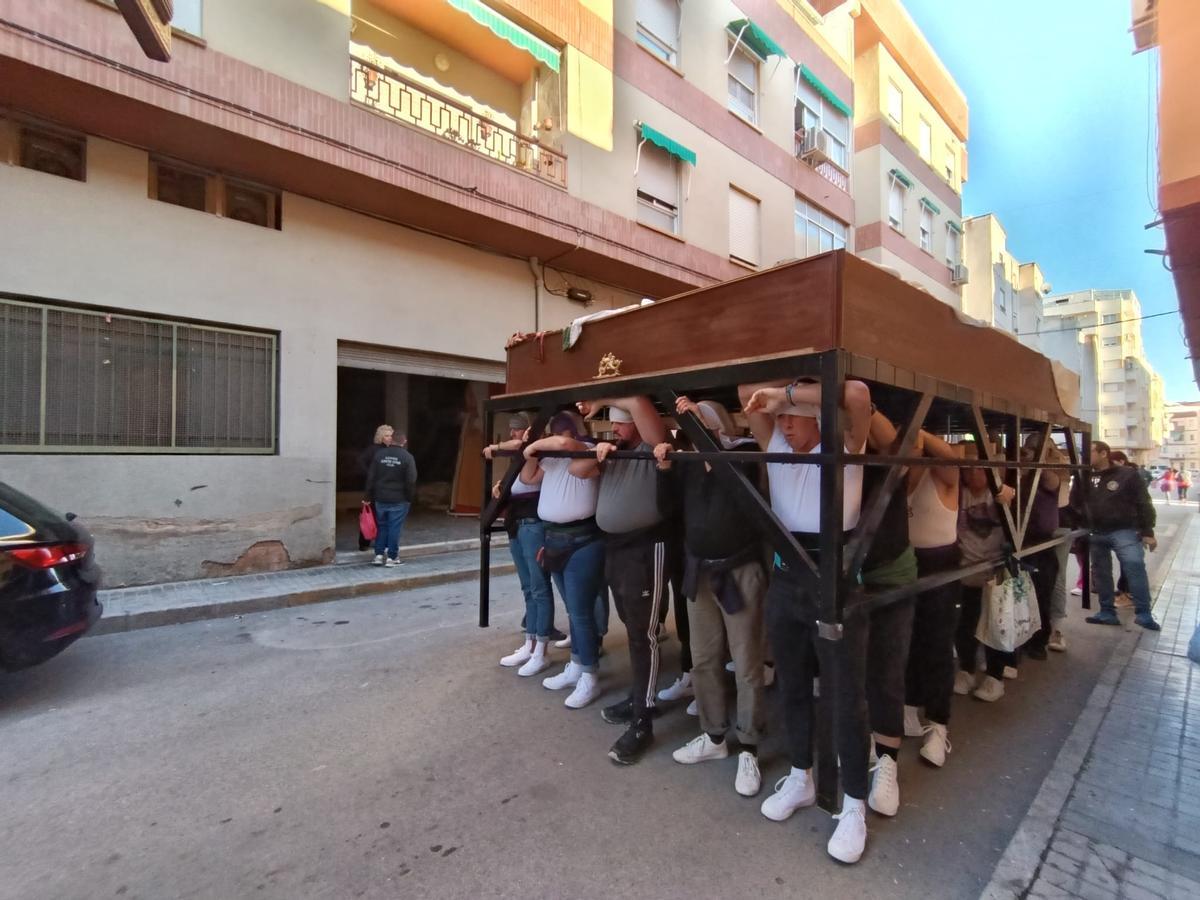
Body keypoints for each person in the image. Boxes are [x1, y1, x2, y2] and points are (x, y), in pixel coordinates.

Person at [737, 375, 874, 865]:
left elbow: (856, 395)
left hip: (834, 577)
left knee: (845, 695)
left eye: (793, 418)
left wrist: (788, 396)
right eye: (782, 418)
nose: (784, 424)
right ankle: (800, 775)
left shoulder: (844, 444)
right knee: (792, 686)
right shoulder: (776, 440)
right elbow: (745, 392)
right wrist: (776, 397)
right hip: (786, 577)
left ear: (818, 418)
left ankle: (855, 804)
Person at [654, 397, 767, 797]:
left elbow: (748, 501)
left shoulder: (744, 454)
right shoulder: (688, 463)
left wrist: (704, 443)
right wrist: (666, 470)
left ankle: (749, 745)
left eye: (700, 420)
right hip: (701, 571)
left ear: (717, 424)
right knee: (703, 659)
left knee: (748, 661)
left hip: (739, 570)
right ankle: (714, 736)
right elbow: (669, 512)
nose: (693, 428)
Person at [572, 397, 671, 766]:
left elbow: (641, 406)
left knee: (643, 634)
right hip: (615, 548)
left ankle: (643, 719)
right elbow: (578, 471)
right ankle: (639, 696)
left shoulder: (649, 446)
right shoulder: (613, 450)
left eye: (620, 423)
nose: (613, 429)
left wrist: (604, 397)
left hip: (645, 548)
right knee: (631, 628)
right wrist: (600, 453)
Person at [520, 410, 606, 708]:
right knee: (574, 610)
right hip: (554, 538)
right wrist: (533, 452)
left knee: (581, 611)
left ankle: (589, 676)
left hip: (582, 539)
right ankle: (577, 665)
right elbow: (527, 477)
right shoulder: (551, 457)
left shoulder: (586, 449)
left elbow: (568, 445)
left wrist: (532, 445)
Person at [903, 430, 963, 768]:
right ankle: (910, 707)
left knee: (938, 646)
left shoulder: (943, 477)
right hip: (908, 563)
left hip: (941, 564)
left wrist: (921, 433)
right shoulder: (903, 475)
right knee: (907, 639)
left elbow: (952, 461)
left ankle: (939, 725)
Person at [484, 414, 557, 676]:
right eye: (513, 431)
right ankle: (531, 642)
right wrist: (501, 486)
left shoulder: (542, 450)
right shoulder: (525, 452)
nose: (516, 435)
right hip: (517, 523)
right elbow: (516, 476)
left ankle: (541, 650)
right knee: (529, 587)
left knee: (538, 587)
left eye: (520, 430)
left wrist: (495, 448)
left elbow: (524, 463)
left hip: (532, 523)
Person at [955, 442, 1018, 701]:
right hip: (965, 569)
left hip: (996, 570)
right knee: (965, 623)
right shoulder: (959, 492)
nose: (972, 474)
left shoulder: (1003, 493)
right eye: (968, 469)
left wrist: (1010, 498)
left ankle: (995, 676)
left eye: (979, 469)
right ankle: (966, 670)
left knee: (997, 625)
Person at [1074, 441, 1160, 631]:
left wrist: (1147, 531)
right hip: (1096, 531)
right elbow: (1075, 503)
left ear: (1104, 453)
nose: (1084, 457)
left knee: (1134, 567)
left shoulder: (1127, 475)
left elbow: (1143, 502)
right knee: (1101, 573)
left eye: (1089, 452)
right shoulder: (1083, 476)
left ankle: (1143, 613)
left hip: (1125, 530)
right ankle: (1107, 612)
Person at [1017, 437, 1062, 661]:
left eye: (1036, 449)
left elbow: (1052, 482)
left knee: (1041, 594)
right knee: (1020, 595)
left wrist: (1038, 459)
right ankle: (1021, 638)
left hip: (1041, 542)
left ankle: (1039, 641)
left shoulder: (1052, 472)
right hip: (1019, 539)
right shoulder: (1023, 473)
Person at [364, 426, 416, 567]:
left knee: (382, 526)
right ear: (404, 441)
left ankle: (379, 555)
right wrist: (410, 497)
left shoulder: (379, 455)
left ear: (391, 440)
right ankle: (392, 557)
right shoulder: (407, 457)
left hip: (381, 497)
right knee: (395, 527)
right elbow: (411, 480)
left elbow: (371, 477)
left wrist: (367, 495)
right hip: (399, 498)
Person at [357, 425, 391, 551]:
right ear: (381, 436)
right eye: (386, 435)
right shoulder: (373, 449)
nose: (389, 438)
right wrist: (369, 473)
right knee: (369, 515)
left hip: (386, 487)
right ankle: (364, 542)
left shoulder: (391, 450)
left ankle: (382, 541)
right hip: (374, 487)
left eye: (390, 435)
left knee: (384, 516)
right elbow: (360, 460)